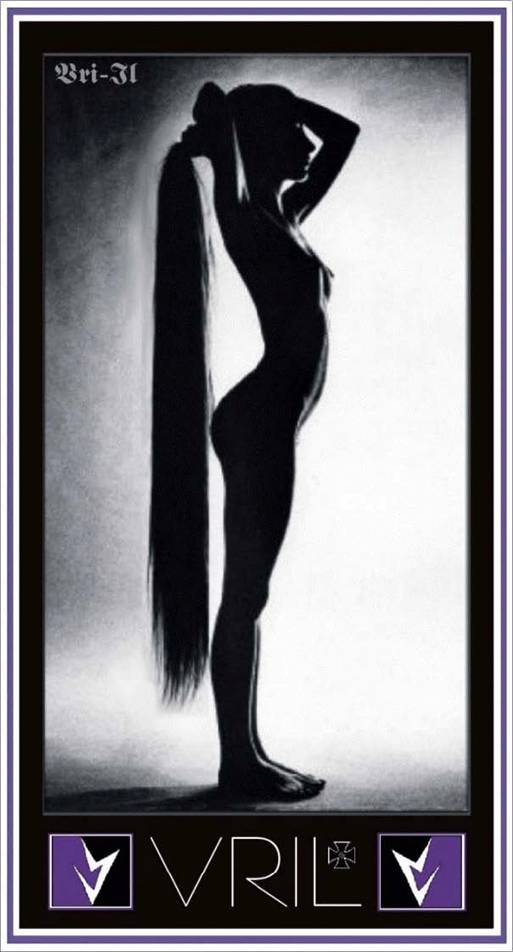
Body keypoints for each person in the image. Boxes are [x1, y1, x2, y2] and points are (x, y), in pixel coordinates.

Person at [150, 81, 360, 801]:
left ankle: (250, 752)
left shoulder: (286, 215)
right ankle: (236, 763)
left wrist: (281, 108)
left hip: (270, 421)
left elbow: (345, 135)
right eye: (292, 130)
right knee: (245, 593)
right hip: (260, 422)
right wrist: (238, 123)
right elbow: (225, 117)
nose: (307, 142)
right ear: (260, 142)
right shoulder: (241, 214)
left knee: (251, 593)